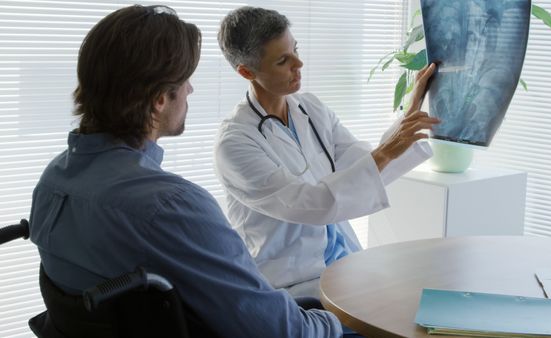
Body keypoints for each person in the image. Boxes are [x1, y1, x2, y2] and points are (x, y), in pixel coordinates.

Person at [28, 5, 344, 337]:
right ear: (160, 99)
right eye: (186, 80)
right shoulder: (172, 206)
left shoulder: (52, 183)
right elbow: (281, 331)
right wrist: (341, 321)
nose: (191, 90)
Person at [215, 6, 440, 297]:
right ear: (247, 71)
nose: (300, 63)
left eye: (295, 49)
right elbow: (315, 204)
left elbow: (364, 169)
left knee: (420, 298)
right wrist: (388, 149)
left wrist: (411, 110)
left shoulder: (310, 109)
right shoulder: (235, 143)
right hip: (292, 284)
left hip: (344, 265)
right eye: (284, 60)